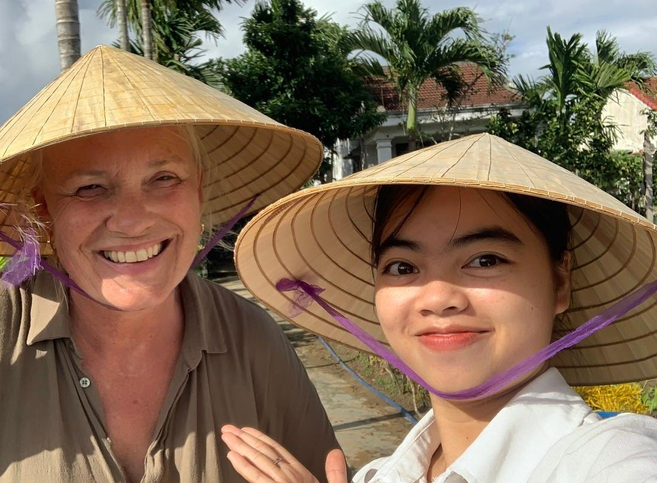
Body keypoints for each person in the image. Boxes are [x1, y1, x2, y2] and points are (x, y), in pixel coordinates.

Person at [0, 45, 338, 483]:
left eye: (164, 179)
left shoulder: (250, 340)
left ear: (198, 191)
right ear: (44, 210)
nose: (132, 220)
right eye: (89, 188)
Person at [226, 133, 657, 482]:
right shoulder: (380, 475)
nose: (436, 299)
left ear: (559, 281)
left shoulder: (612, 460)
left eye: (485, 260)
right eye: (401, 266)